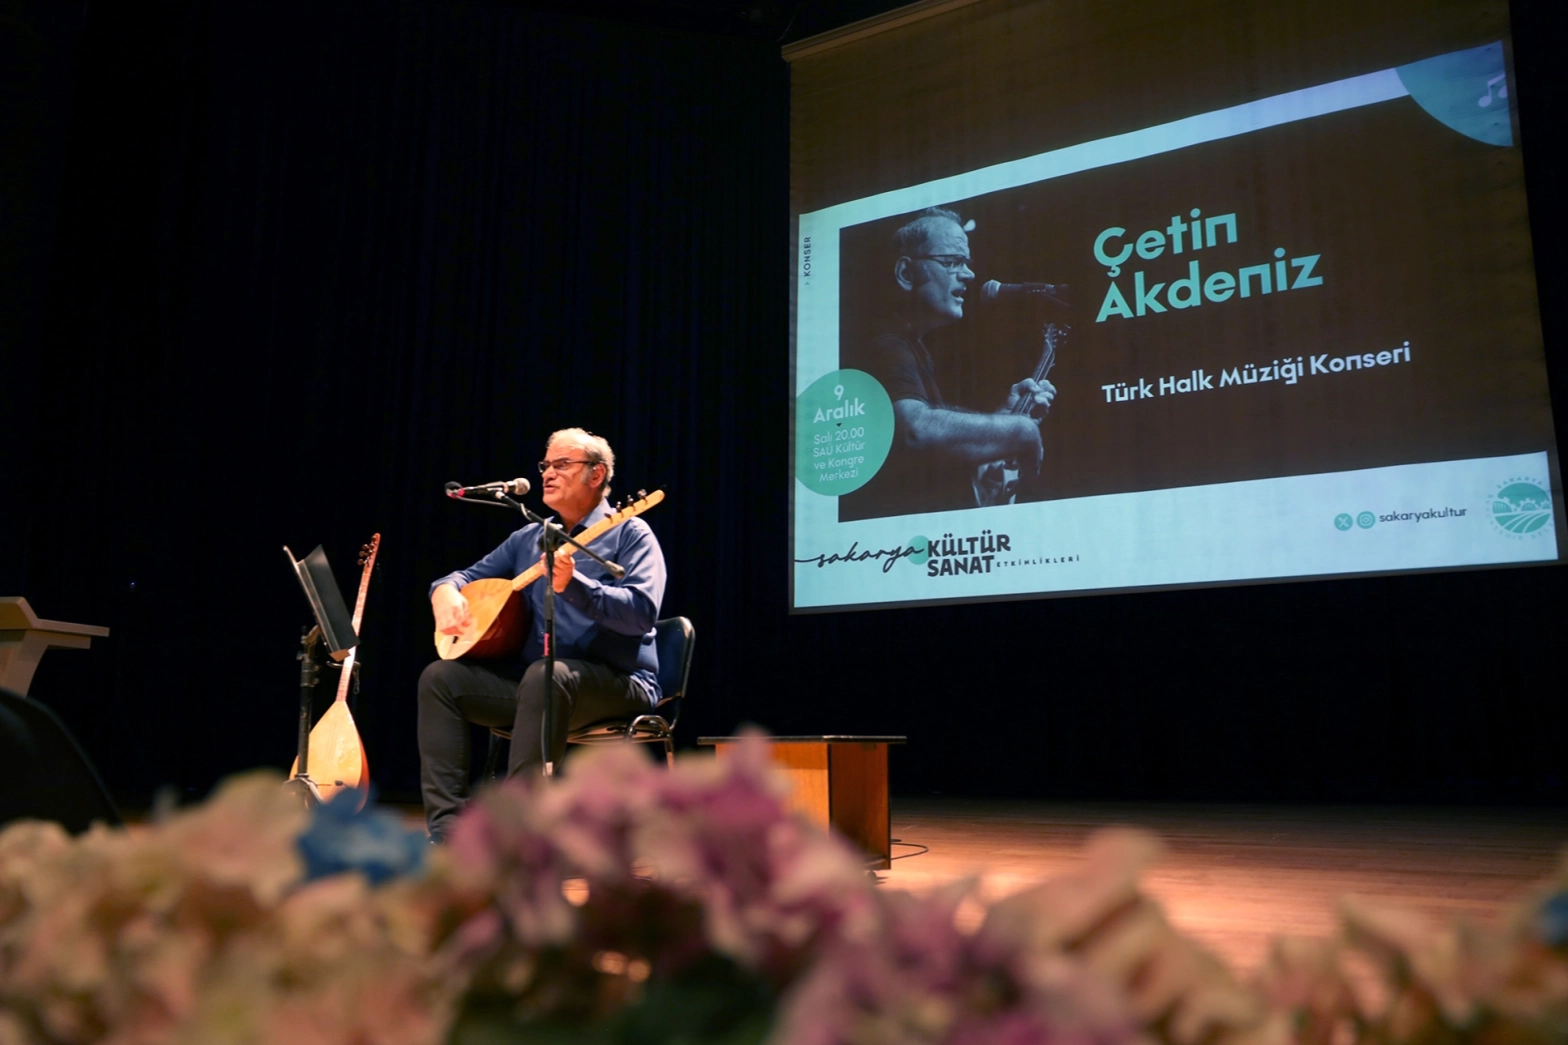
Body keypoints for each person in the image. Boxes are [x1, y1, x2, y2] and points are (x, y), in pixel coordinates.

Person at [417, 427, 665, 841]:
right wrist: (443, 592)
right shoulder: (529, 539)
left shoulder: (630, 533)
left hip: (618, 683)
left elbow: (641, 614)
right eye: (545, 465)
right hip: (540, 687)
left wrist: (576, 585)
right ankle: (447, 832)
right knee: (441, 679)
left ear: (596, 474)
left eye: (562, 464)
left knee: (547, 675)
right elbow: (462, 577)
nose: (548, 473)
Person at [841, 206, 1056, 518]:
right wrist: (1018, 429)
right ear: (906, 274)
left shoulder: (912, 346)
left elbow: (928, 449)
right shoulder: (884, 343)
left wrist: (1003, 416)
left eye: (966, 263)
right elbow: (915, 430)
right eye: (953, 262)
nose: (969, 275)